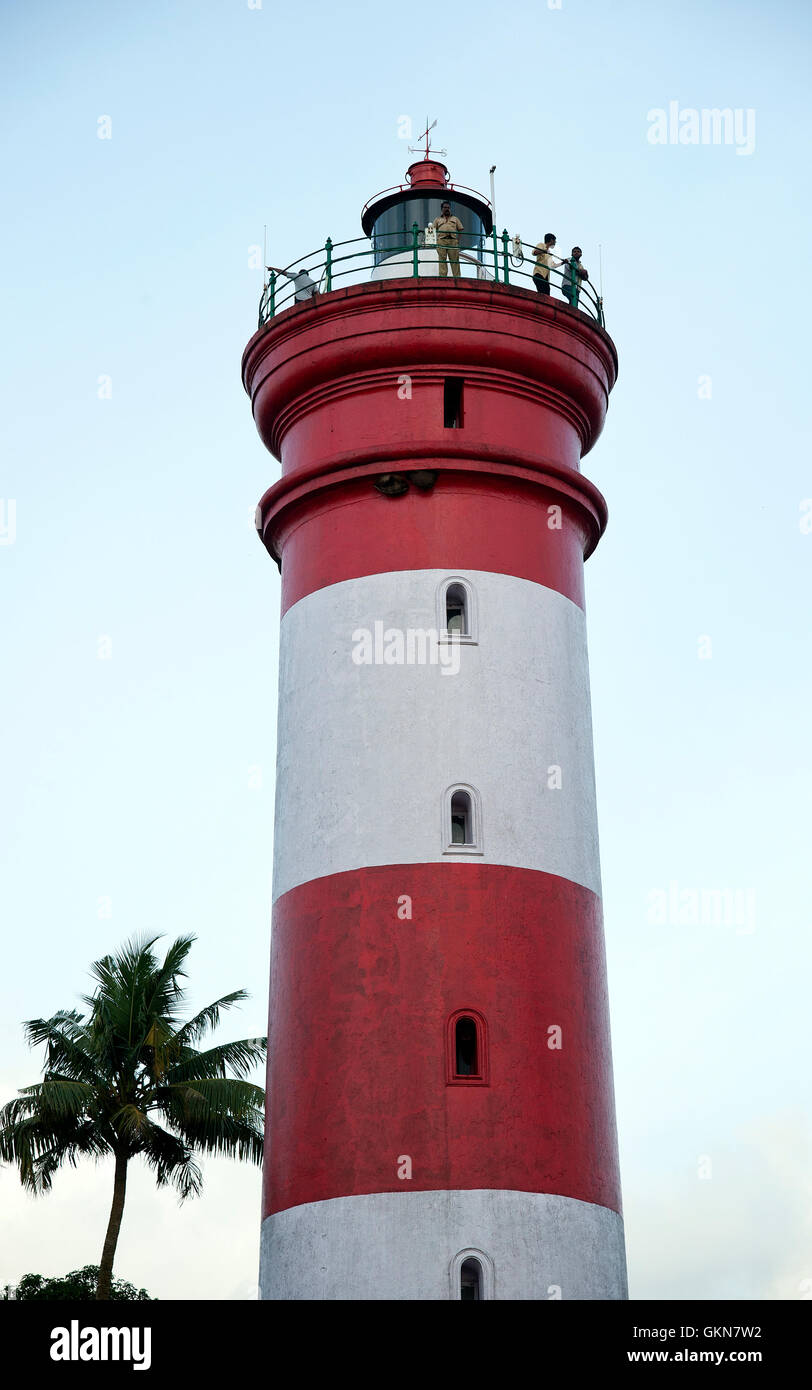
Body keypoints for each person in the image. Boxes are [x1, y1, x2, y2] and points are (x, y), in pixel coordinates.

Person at [432, 202, 464, 279]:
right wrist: (433, 240)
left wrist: (457, 241)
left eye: (448, 208)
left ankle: (457, 278)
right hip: (441, 241)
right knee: (442, 260)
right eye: (445, 207)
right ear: (442, 209)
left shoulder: (455, 219)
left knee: (454, 260)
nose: (447, 209)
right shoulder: (437, 219)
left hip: (453, 241)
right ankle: (443, 277)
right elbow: (432, 229)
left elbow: (460, 229)